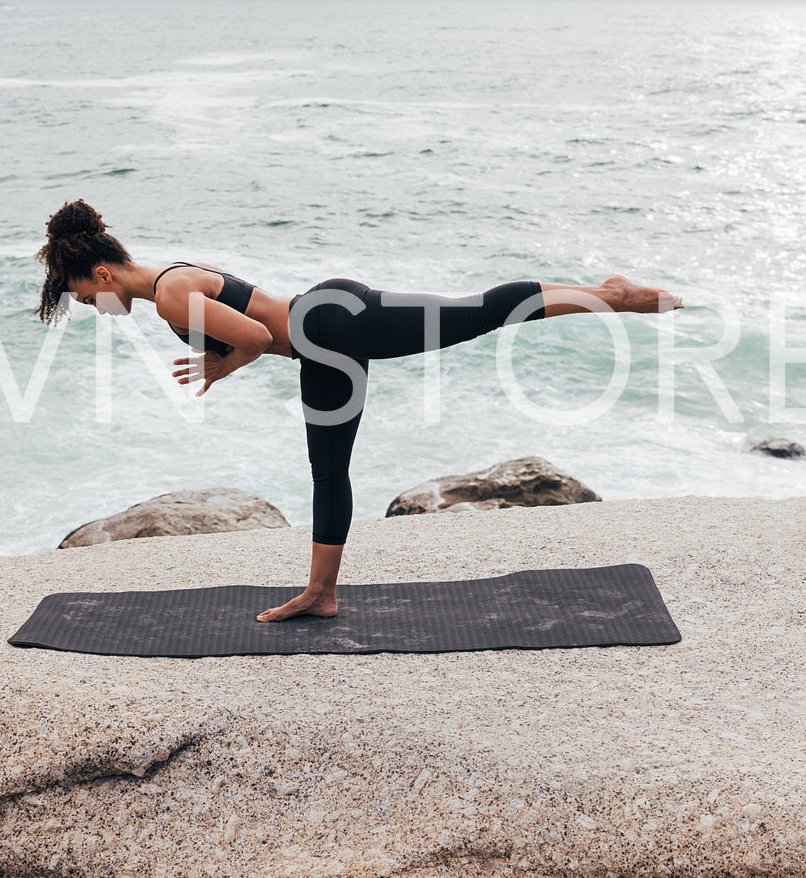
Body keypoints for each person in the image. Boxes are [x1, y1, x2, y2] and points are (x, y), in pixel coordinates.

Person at [34, 198, 684, 623]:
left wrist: (219, 365)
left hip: (330, 327)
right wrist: (229, 356)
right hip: (324, 337)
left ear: (103, 276)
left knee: (477, 310)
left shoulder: (172, 295)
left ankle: (610, 295)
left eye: (81, 297)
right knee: (328, 470)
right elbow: (259, 323)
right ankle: (322, 592)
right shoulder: (174, 277)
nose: (89, 308)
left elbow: (258, 337)